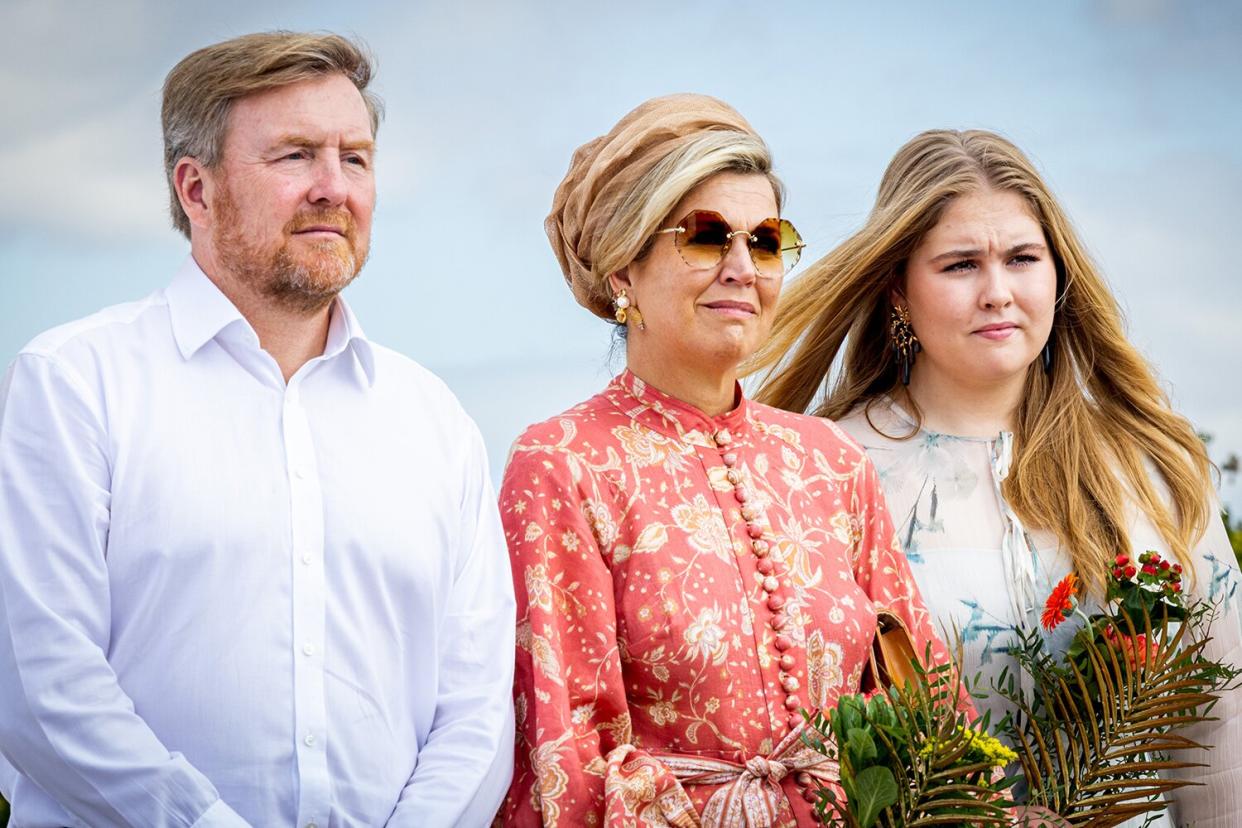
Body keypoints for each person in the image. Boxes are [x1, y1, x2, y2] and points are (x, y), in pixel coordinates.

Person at [0, 32, 515, 827]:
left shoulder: (435, 421)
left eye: (357, 158)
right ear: (195, 190)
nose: (333, 188)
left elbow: (477, 710)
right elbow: (40, 685)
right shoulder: (74, 383)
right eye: (295, 156)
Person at [750, 128, 1242, 827]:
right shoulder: (814, 472)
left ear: (1057, 274)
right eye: (959, 265)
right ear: (898, 287)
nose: (998, 292)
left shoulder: (1152, 469)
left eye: (1022, 258)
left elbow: (1223, 732)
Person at [497, 94, 959, 826]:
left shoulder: (830, 462)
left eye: (767, 241)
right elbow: (566, 748)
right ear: (623, 269)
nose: (743, 267)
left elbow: (927, 708)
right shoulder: (563, 463)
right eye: (707, 238)